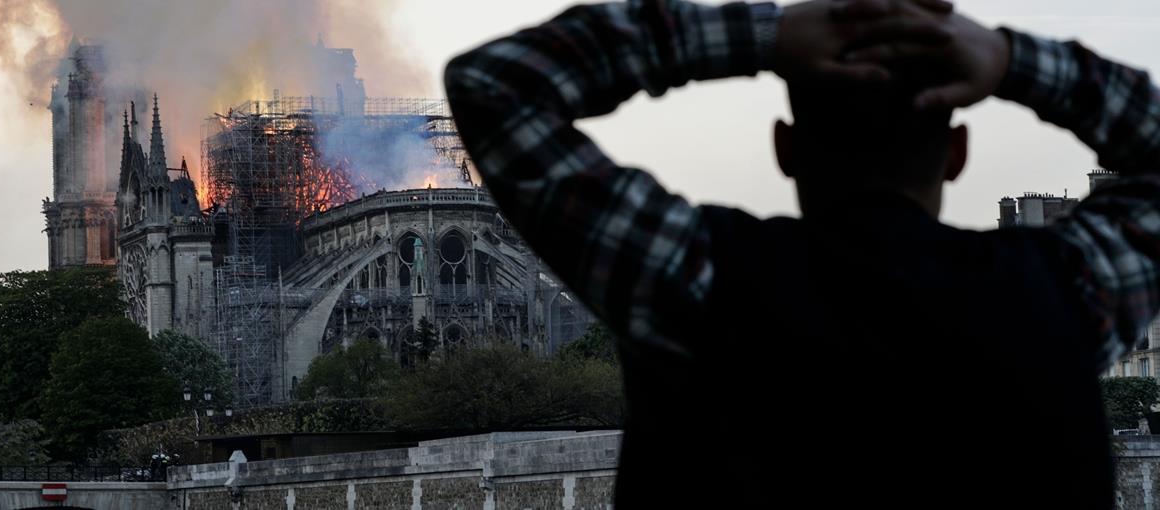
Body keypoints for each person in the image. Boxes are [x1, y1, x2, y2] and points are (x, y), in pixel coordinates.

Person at [445, 0, 1160, 507]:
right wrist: (1009, 59)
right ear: (957, 153)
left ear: (784, 148)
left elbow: (496, 85)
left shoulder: (693, 277)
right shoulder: (1069, 295)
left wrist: (764, 33)